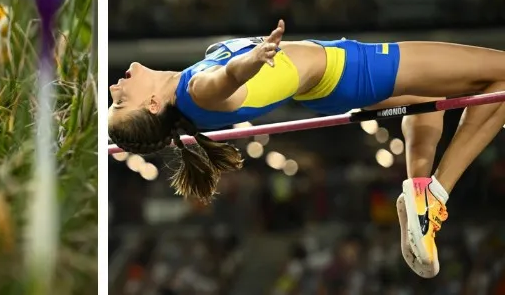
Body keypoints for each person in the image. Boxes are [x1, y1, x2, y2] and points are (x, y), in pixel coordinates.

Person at [106, 19, 505, 279]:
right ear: (152, 106)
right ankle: (436, 195)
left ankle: (417, 190)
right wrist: (253, 61)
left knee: (425, 107)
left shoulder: (189, 94)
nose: (113, 89)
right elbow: (224, 79)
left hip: (324, 87)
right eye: (120, 103)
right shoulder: (197, 91)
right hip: (351, 70)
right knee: (501, 75)